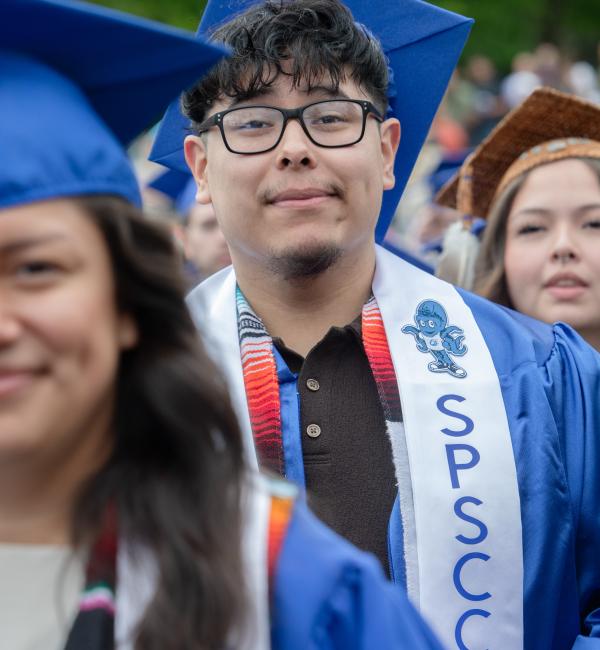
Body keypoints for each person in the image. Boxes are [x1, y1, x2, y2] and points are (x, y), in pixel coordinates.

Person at [150, 0, 600, 648]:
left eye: (331, 117)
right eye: (252, 123)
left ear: (387, 151)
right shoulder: (137, 386)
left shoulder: (542, 376)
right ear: (200, 168)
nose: (296, 149)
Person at [0, 1, 446, 649]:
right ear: (199, 166)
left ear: (124, 301)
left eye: (37, 268)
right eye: (256, 122)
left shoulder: (290, 585)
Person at [436, 87, 600, 351]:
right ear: (498, 253)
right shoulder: (457, 391)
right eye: (532, 227)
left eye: (594, 223)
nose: (563, 247)